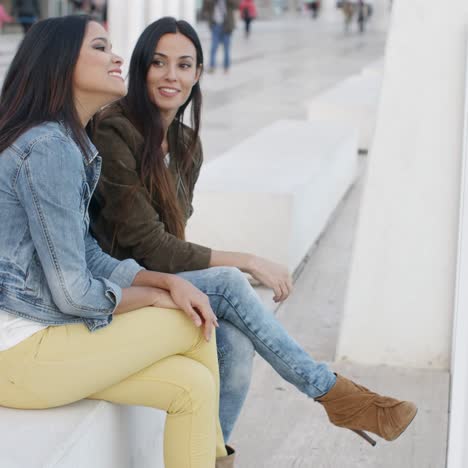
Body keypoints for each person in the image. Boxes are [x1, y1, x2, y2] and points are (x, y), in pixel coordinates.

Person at [91, 16, 419, 457]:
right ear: (140, 68)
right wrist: (248, 259)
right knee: (229, 282)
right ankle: (334, 394)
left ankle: (209, 457)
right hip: (117, 282)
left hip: (155, 276)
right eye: (158, 63)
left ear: (198, 74)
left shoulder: (186, 143)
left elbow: (174, 238)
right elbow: (147, 244)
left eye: (184, 65)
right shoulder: (114, 131)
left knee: (235, 344)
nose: (172, 75)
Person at [0, 15, 232, 468]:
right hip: (22, 355)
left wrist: (164, 281)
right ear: (63, 64)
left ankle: (217, 458)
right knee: (192, 321)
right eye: (101, 48)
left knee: (192, 385)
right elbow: (72, 292)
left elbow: (84, 252)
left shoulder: (66, 142)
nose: (117, 58)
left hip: (33, 351)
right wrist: (156, 297)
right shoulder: (48, 148)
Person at [202, 0, 240, 73]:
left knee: (226, 48)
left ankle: (226, 67)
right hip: (215, 25)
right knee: (213, 47)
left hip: (227, 26)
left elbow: (237, 5)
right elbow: (205, 8)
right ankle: (212, 66)